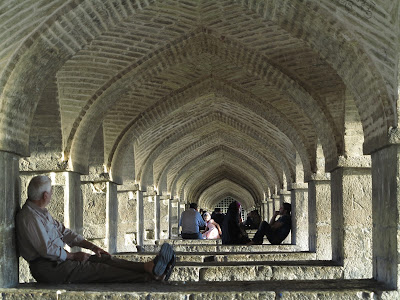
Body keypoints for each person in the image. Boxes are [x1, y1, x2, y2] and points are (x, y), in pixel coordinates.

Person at [16, 175, 176, 284]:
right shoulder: (29, 217)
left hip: (59, 261)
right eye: (50, 192)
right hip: (49, 268)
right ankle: (152, 277)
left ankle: (147, 267)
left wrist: (92, 247)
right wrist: (72, 256)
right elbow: (46, 250)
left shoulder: (41, 213)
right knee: (100, 270)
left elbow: (65, 233)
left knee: (105, 259)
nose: (51, 195)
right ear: (45, 195)